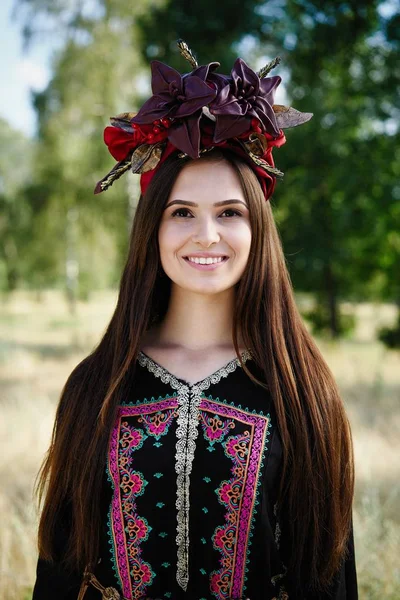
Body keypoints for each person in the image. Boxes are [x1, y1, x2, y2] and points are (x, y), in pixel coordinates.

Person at [33, 41, 358, 600]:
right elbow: (60, 575)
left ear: (257, 231)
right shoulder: (95, 386)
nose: (206, 235)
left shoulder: (303, 391)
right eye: (182, 212)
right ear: (151, 232)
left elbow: (328, 580)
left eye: (229, 213)